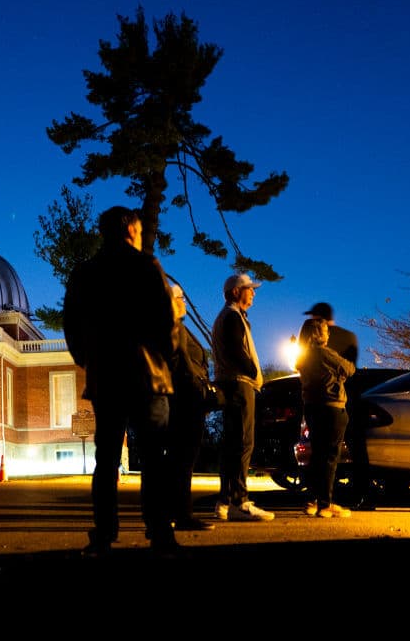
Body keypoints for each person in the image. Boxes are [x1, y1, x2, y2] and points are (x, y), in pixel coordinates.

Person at [63, 206, 179, 555]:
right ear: (131, 230)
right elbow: (167, 320)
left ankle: (104, 534)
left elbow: (72, 327)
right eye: (139, 232)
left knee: (107, 458)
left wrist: (89, 361)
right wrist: (166, 359)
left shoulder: (85, 273)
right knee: (154, 457)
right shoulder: (146, 266)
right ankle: (159, 530)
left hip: (107, 377)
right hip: (146, 375)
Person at [211, 273, 274, 521]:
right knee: (243, 443)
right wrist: (252, 370)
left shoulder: (227, 317)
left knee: (231, 444)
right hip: (239, 384)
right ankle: (240, 502)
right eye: (250, 288)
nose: (254, 293)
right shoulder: (232, 316)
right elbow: (237, 350)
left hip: (231, 384)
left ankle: (225, 500)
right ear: (236, 292)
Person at [304, 302, 375, 509]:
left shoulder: (308, 347)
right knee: (345, 452)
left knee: (319, 452)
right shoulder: (347, 337)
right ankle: (354, 496)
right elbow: (349, 369)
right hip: (338, 400)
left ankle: (317, 497)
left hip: (315, 401)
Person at [295, 317, 355, 518]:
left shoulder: (303, 356)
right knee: (330, 457)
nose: (328, 334)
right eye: (325, 330)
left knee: (318, 455)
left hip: (312, 407)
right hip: (332, 407)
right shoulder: (324, 353)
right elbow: (349, 368)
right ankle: (325, 504)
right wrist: (339, 376)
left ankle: (314, 500)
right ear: (317, 334)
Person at [167, 284, 216, 531]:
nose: (184, 301)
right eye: (180, 297)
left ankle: (178, 512)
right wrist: (198, 388)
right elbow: (182, 364)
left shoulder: (179, 326)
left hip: (189, 397)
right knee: (182, 457)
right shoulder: (171, 327)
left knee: (184, 457)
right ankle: (181, 514)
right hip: (184, 398)